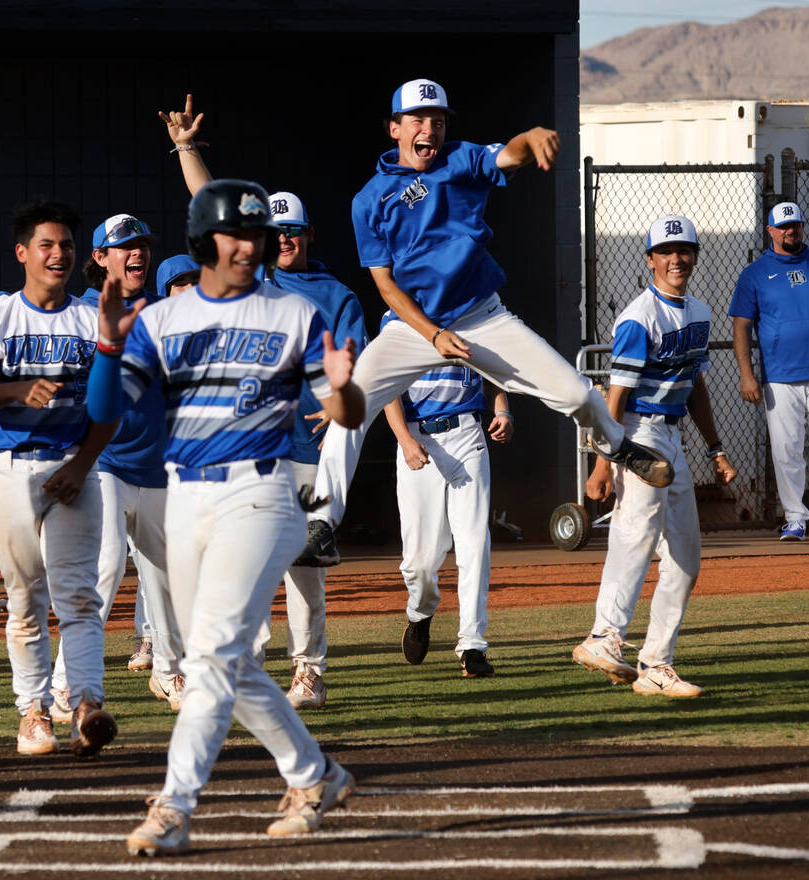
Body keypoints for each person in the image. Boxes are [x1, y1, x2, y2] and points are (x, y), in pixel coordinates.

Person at [88, 178, 362, 857]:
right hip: (185, 499)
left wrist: (346, 386)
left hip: (263, 496)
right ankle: (315, 776)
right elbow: (103, 411)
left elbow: (347, 413)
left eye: (258, 236)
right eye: (235, 234)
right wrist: (105, 345)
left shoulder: (296, 313)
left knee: (208, 654)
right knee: (229, 660)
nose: (249, 246)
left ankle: (174, 805)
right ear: (202, 240)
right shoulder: (161, 320)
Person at [300, 78, 671, 568]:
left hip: (480, 316)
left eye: (438, 119)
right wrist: (431, 334)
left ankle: (618, 446)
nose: (429, 127)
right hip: (413, 327)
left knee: (578, 394)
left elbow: (510, 155)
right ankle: (322, 526)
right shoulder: (369, 201)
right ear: (394, 129)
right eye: (417, 119)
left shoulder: (461, 158)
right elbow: (385, 286)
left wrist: (530, 135)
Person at [0, 199, 118, 756]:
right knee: (25, 599)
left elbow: (109, 407)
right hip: (10, 468)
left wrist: (81, 464)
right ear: (22, 252)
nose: (58, 254)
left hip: (73, 466)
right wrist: (14, 391)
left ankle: (86, 706)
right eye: (46, 245)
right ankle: (32, 712)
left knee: (78, 596)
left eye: (67, 246)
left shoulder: (91, 316)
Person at [572, 216, 736, 698]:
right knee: (634, 533)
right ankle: (604, 636)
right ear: (650, 260)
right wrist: (604, 462)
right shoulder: (638, 317)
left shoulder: (700, 313)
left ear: (695, 256)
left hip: (674, 437)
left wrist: (716, 448)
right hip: (635, 432)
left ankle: (656, 664)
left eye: (684, 249)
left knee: (685, 558)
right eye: (666, 250)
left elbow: (696, 386)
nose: (676, 258)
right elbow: (615, 395)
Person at [46, 213, 185, 717]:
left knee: (168, 578)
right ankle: (66, 683)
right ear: (100, 258)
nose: (138, 253)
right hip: (101, 463)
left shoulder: (162, 314)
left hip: (157, 466)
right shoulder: (80, 315)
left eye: (143, 245)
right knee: (102, 569)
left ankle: (169, 672)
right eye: (125, 245)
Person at [265, 191, 368, 709]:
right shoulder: (250, 285)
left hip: (310, 441)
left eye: (292, 230)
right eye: (275, 231)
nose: (284, 239)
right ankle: (249, 665)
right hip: (258, 449)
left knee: (305, 563)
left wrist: (337, 403)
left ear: (307, 235)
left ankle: (309, 671)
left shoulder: (336, 295)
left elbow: (358, 367)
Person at [730, 201, 809, 542]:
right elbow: (741, 326)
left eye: (797, 225)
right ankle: (794, 518)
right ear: (771, 231)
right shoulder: (755, 274)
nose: (792, 230)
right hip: (779, 378)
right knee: (787, 450)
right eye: (784, 226)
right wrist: (747, 374)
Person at [383, 356, 510, 678]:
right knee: (419, 561)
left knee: (474, 544)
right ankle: (420, 611)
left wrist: (502, 410)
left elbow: (492, 368)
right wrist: (404, 439)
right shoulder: (398, 318)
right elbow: (389, 387)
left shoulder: (476, 310)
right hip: (417, 437)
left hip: (468, 433)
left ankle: (473, 646)